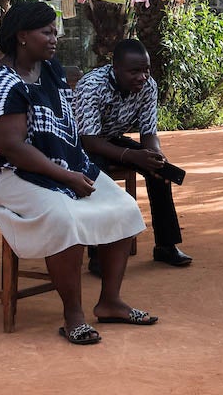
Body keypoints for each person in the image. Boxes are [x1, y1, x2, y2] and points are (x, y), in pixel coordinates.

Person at [0, 1, 158, 345]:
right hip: (4, 174)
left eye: (54, 31)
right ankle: (73, 313)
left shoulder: (52, 70)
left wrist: (72, 169)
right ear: (22, 37)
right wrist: (66, 177)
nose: (54, 37)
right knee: (62, 216)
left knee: (124, 206)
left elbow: (65, 127)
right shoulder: (3, 82)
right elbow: (10, 147)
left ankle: (110, 301)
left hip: (60, 164)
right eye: (47, 32)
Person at [73, 39, 192, 275]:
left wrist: (154, 154)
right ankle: (98, 253)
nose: (142, 76)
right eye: (134, 71)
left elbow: (149, 132)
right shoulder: (92, 85)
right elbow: (89, 141)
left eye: (146, 70)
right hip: (80, 143)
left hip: (111, 138)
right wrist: (132, 155)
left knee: (160, 172)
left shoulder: (148, 86)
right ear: (115, 69)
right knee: (100, 181)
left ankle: (166, 246)